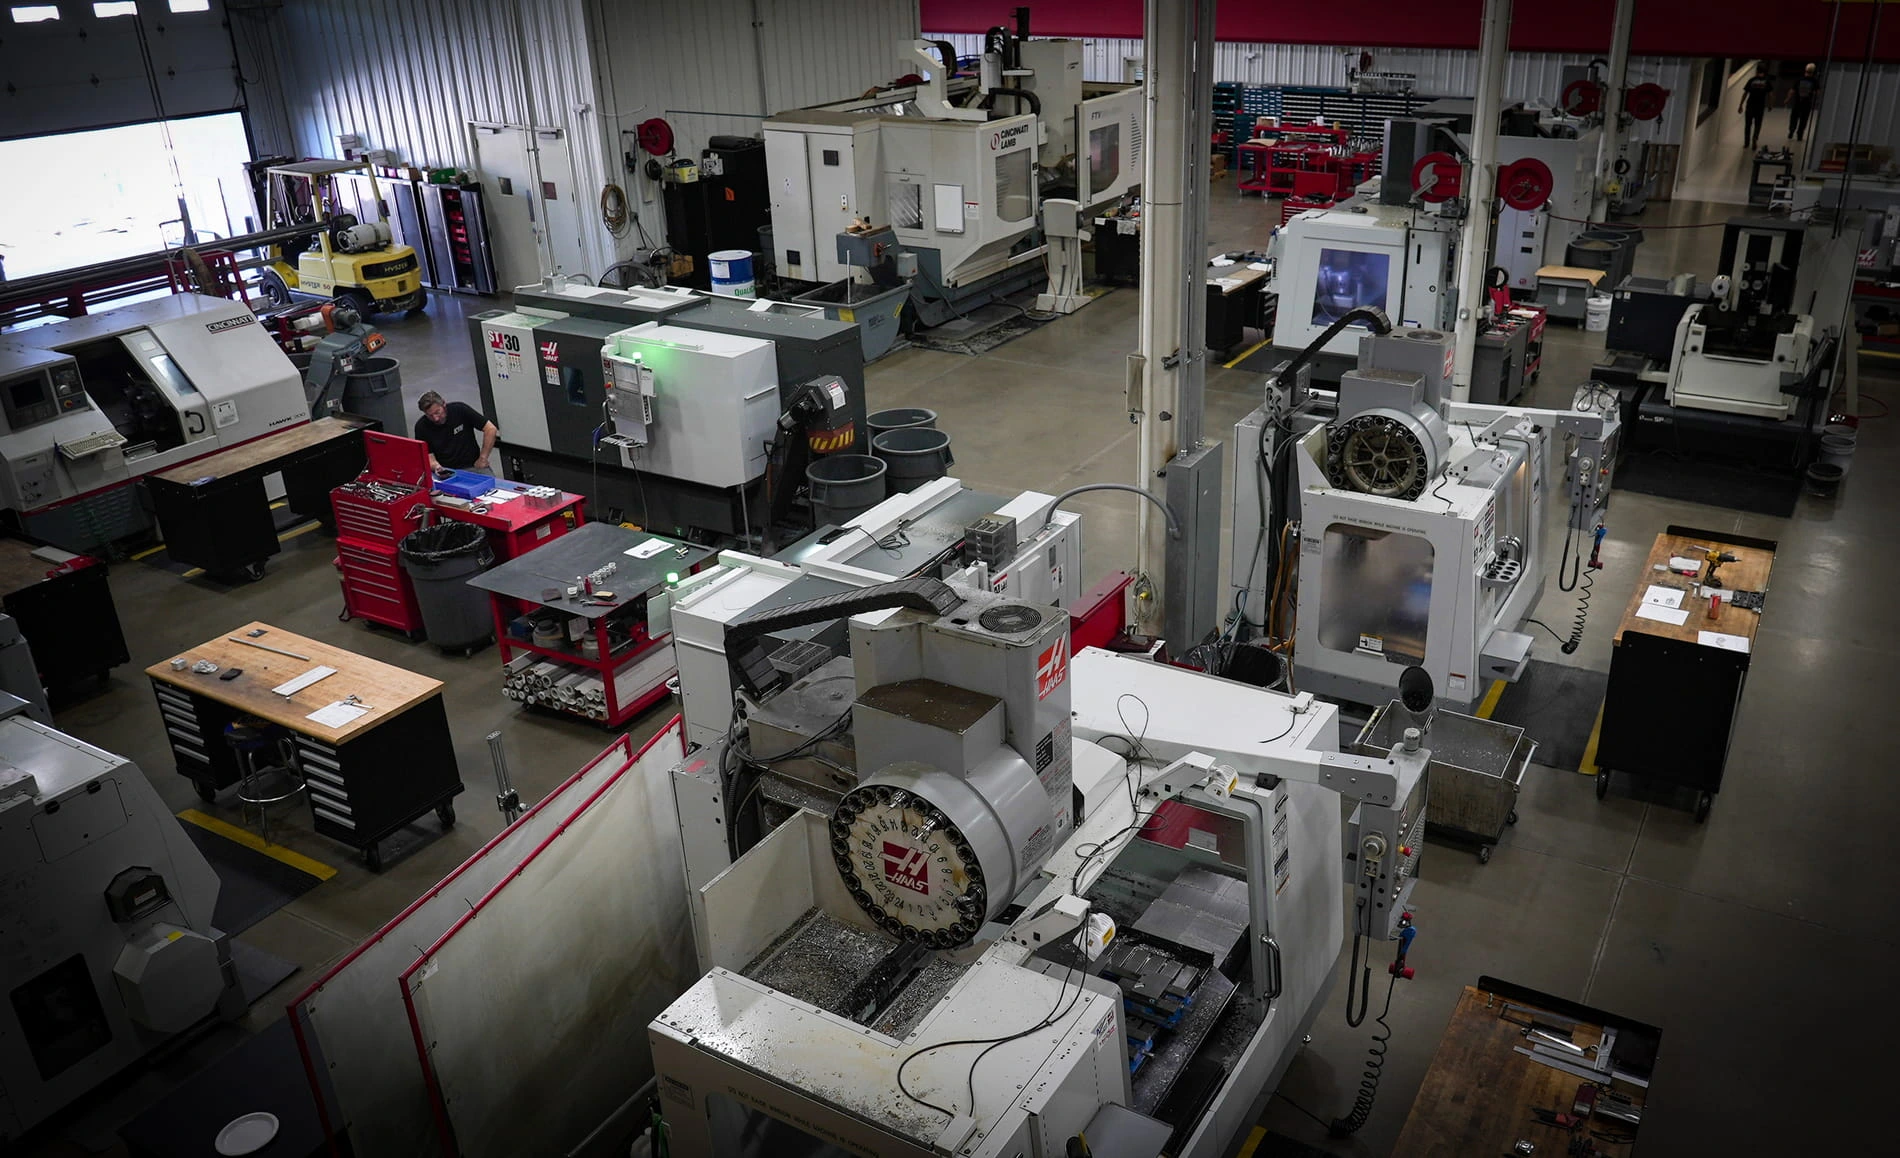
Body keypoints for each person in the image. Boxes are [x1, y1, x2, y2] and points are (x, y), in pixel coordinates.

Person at [413, 390, 498, 473]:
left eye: (437, 412)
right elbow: (428, 455)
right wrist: (436, 467)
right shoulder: (421, 427)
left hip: (473, 465)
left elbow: (490, 429)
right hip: (447, 470)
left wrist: (483, 458)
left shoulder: (460, 410)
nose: (436, 418)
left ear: (443, 404)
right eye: (430, 415)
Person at [1740, 65, 1774, 150]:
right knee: (1758, 124)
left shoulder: (1751, 80)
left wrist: (1740, 105)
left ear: (1757, 71)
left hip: (1750, 105)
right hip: (1760, 106)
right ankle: (1755, 138)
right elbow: (1770, 94)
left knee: (1748, 125)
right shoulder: (1767, 82)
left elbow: (1745, 93)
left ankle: (1746, 143)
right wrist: (1770, 105)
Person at [1789, 63, 1820, 142]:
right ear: (1813, 71)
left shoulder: (1799, 79)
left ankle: (1791, 130)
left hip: (1797, 102)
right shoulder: (1814, 81)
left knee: (1794, 118)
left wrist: (1787, 99)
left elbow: (1792, 90)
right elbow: (1817, 92)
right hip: (1807, 103)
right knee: (1803, 120)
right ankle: (1800, 134)